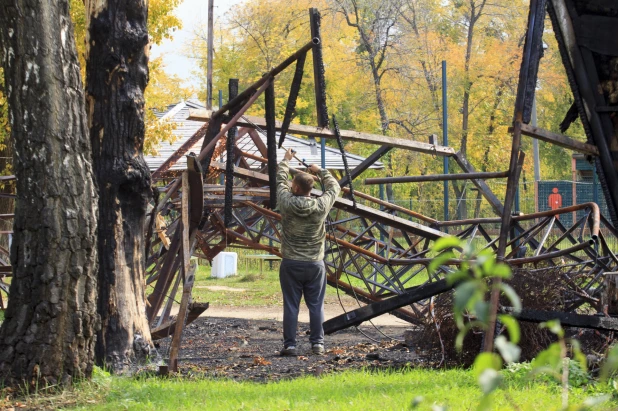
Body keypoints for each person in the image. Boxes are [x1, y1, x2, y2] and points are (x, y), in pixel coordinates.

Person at [276, 148, 341, 356]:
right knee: (315, 305)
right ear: (310, 189)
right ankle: (317, 344)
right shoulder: (321, 205)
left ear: (294, 187)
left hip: (291, 263)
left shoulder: (286, 202)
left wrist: (286, 160)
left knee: (291, 305)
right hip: (315, 264)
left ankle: (290, 345)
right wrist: (320, 171)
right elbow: (334, 187)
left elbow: (279, 180)